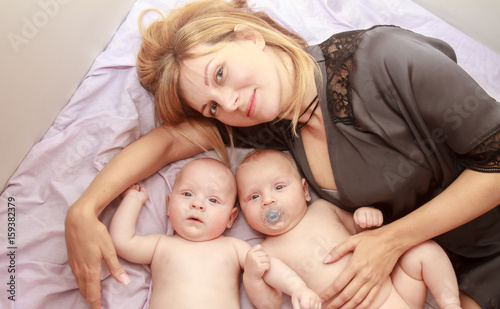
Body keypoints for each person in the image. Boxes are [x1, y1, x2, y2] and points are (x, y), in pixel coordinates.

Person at [64, 0, 500, 308]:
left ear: (251, 36)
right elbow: (166, 143)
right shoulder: (268, 127)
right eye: (212, 106)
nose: (230, 104)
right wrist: (84, 209)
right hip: (435, 267)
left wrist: (391, 241)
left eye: (220, 73)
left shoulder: (385, 57)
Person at [236, 149, 461, 309]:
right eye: (254, 196)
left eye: (279, 187)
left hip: (396, 292)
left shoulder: (323, 209)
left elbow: (361, 234)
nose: (268, 200)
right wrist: (253, 277)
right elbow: (269, 304)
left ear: (305, 191)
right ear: (242, 210)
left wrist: (365, 219)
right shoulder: (265, 253)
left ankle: (450, 304)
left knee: (423, 251)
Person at [109, 157, 321, 309]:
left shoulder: (233, 247)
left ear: (231, 217)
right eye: (187, 194)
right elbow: (122, 241)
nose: (197, 204)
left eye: (213, 200)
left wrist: (297, 289)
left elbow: (269, 267)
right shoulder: (160, 245)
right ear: (168, 203)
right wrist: (133, 201)